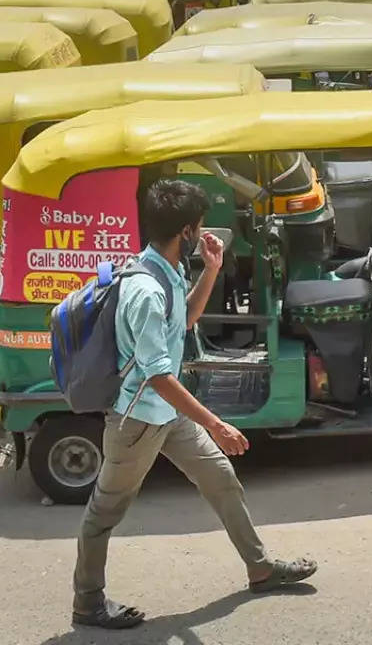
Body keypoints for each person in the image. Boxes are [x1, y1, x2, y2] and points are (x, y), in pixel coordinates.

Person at [72, 179, 317, 630]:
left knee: (221, 479)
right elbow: (157, 375)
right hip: (138, 423)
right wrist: (217, 423)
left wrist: (211, 269)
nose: (203, 232)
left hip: (168, 416)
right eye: (200, 227)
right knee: (104, 513)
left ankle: (260, 569)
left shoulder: (165, 270)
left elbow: (183, 320)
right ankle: (87, 602)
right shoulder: (144, 289)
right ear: (185, 230)